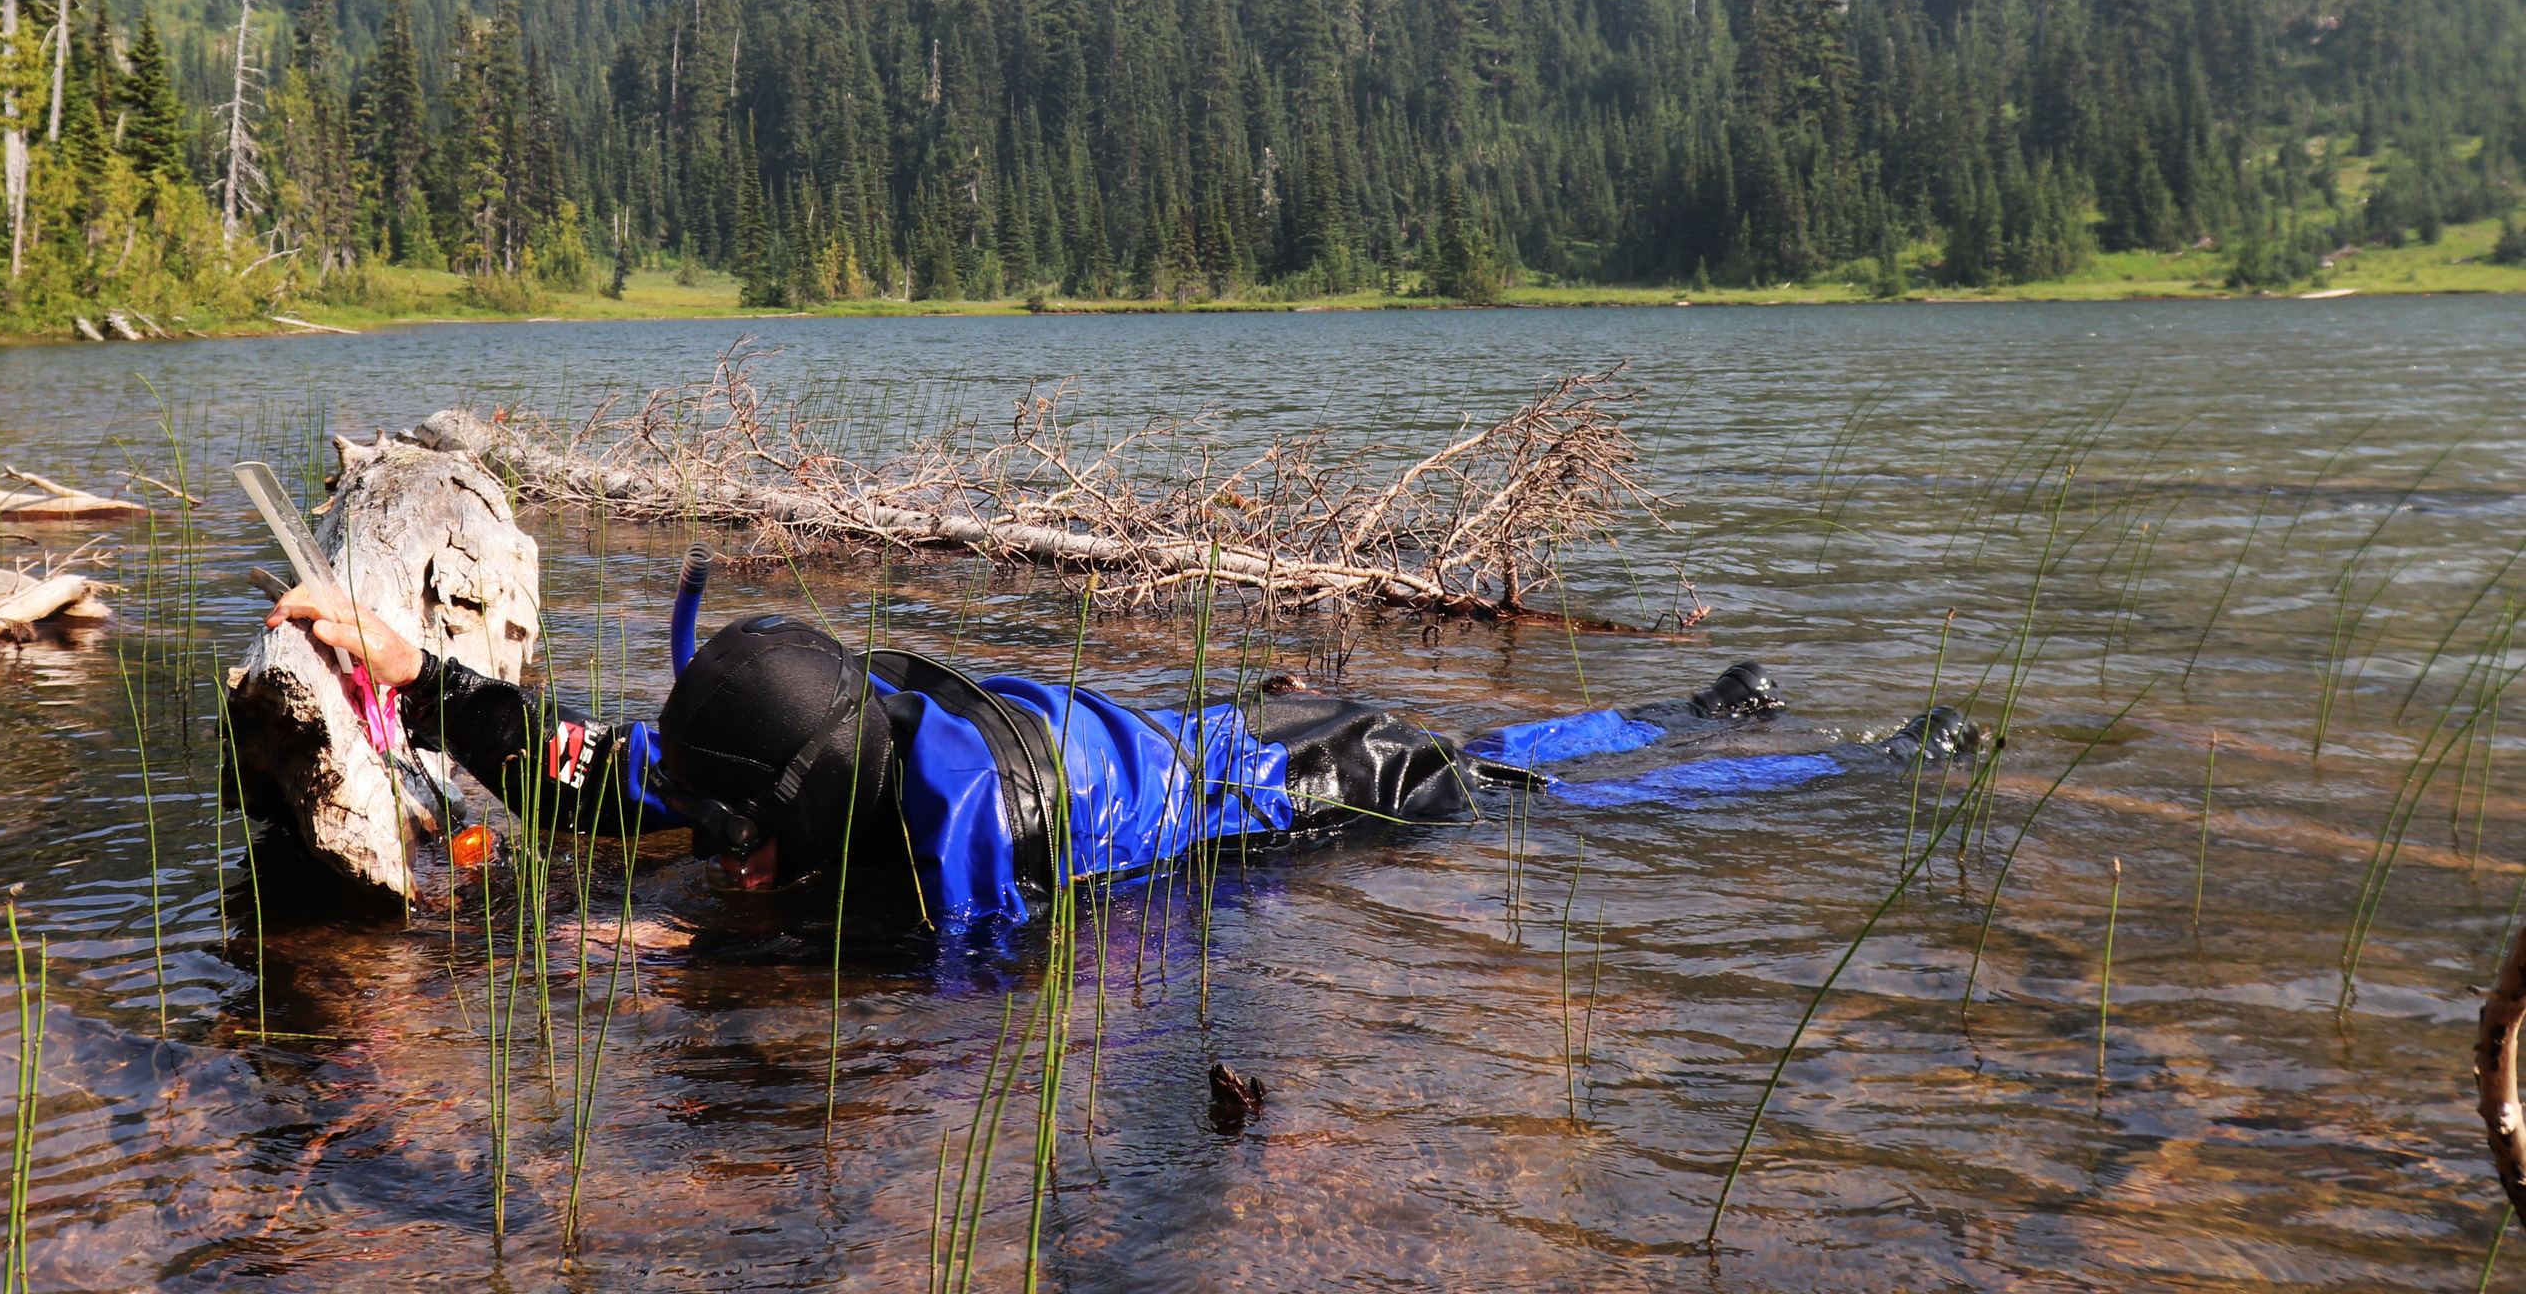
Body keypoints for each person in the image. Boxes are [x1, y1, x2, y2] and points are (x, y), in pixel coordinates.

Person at [266, 584, 1986, 928]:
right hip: (1234, 728)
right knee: (1499, 742)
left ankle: (1831, 757)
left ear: (795, 808)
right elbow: (619, 775)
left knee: (1534, 790)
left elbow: (872, 967)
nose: (712, 851)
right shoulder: (826, 748)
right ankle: (1712, 703)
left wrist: (694, 959)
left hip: (1307, 796)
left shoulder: (957, 856)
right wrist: (410, 674)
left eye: (728, 841)